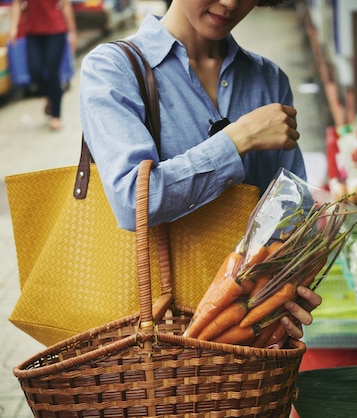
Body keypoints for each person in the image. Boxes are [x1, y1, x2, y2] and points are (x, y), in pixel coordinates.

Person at [79, 0, 320, 344]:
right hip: (152, 338)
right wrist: (237, 139)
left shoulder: (268, 79)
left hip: (248, 334)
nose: (231, 3)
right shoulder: (113, 68)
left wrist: (293, 284)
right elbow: (133, 201)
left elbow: (293, 213)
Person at [8, 0, 78, 131]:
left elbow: (65, 5)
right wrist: (13, 27)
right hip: (33, 33)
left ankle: (56, 116)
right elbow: (17, 3)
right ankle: (53, 94)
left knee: (52, 72)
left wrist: (72, 32)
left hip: (56, 31)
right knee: (34, 72)